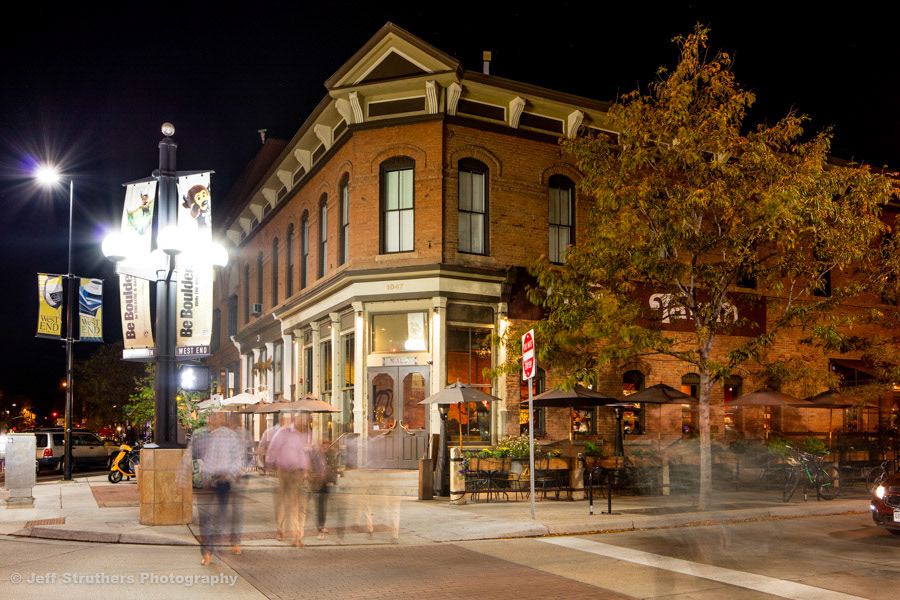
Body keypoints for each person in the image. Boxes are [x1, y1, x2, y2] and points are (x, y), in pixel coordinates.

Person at [197, 412, 246, 565]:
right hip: (207, 481)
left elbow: (237, 459)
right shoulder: (204, 435)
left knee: (220, 515)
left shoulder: (230, 437)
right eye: (212, 417)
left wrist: (228, 474)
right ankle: (207, 552)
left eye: (217, 416)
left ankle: (215, 549)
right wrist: (204, 476)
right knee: (205, 518)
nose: (214, 419)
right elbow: (200, 457)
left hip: (223, 480)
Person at [266, 415, 310, 547]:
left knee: (298, 505)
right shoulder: (283, 432)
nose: (305, 423)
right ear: (295, 420)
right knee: (286, 504)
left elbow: (303, 454)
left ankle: (297, 537)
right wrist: (270, 462)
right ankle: (283, 530)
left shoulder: (304, 435)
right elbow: (273, 448)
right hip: (284, 471)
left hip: (298, 472)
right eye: (303, 420)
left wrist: (306, 470)